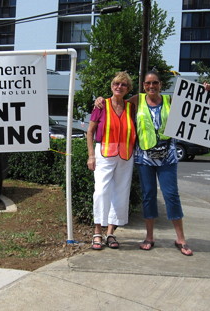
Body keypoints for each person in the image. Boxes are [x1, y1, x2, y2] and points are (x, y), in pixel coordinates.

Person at [95, 70, 210, 256]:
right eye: (148, 83)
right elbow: (115, 101)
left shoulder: (169, 101)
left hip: (168, 158)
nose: (152, 86)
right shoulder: (136, 100)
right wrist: (100, 100)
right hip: (144, 159)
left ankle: (180, 238)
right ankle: (149, 237)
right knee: (148, 196)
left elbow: (193, 107)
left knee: (171, 195)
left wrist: (205, 92)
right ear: (143, 86)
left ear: (160, 84)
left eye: (155, 83)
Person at [87, 71, 136, 250]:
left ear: (128, 89)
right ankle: (97, 232)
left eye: (123, 85)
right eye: (116, 83)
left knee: (120, 193)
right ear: (111, 86)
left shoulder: (131, 106)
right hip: (104, 153)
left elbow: (151, 96)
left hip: (126, 155)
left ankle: (110, 233)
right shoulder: (101, 105)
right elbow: (90, 132)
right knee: (101, 191)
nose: (119, 87)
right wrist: (91, 155)